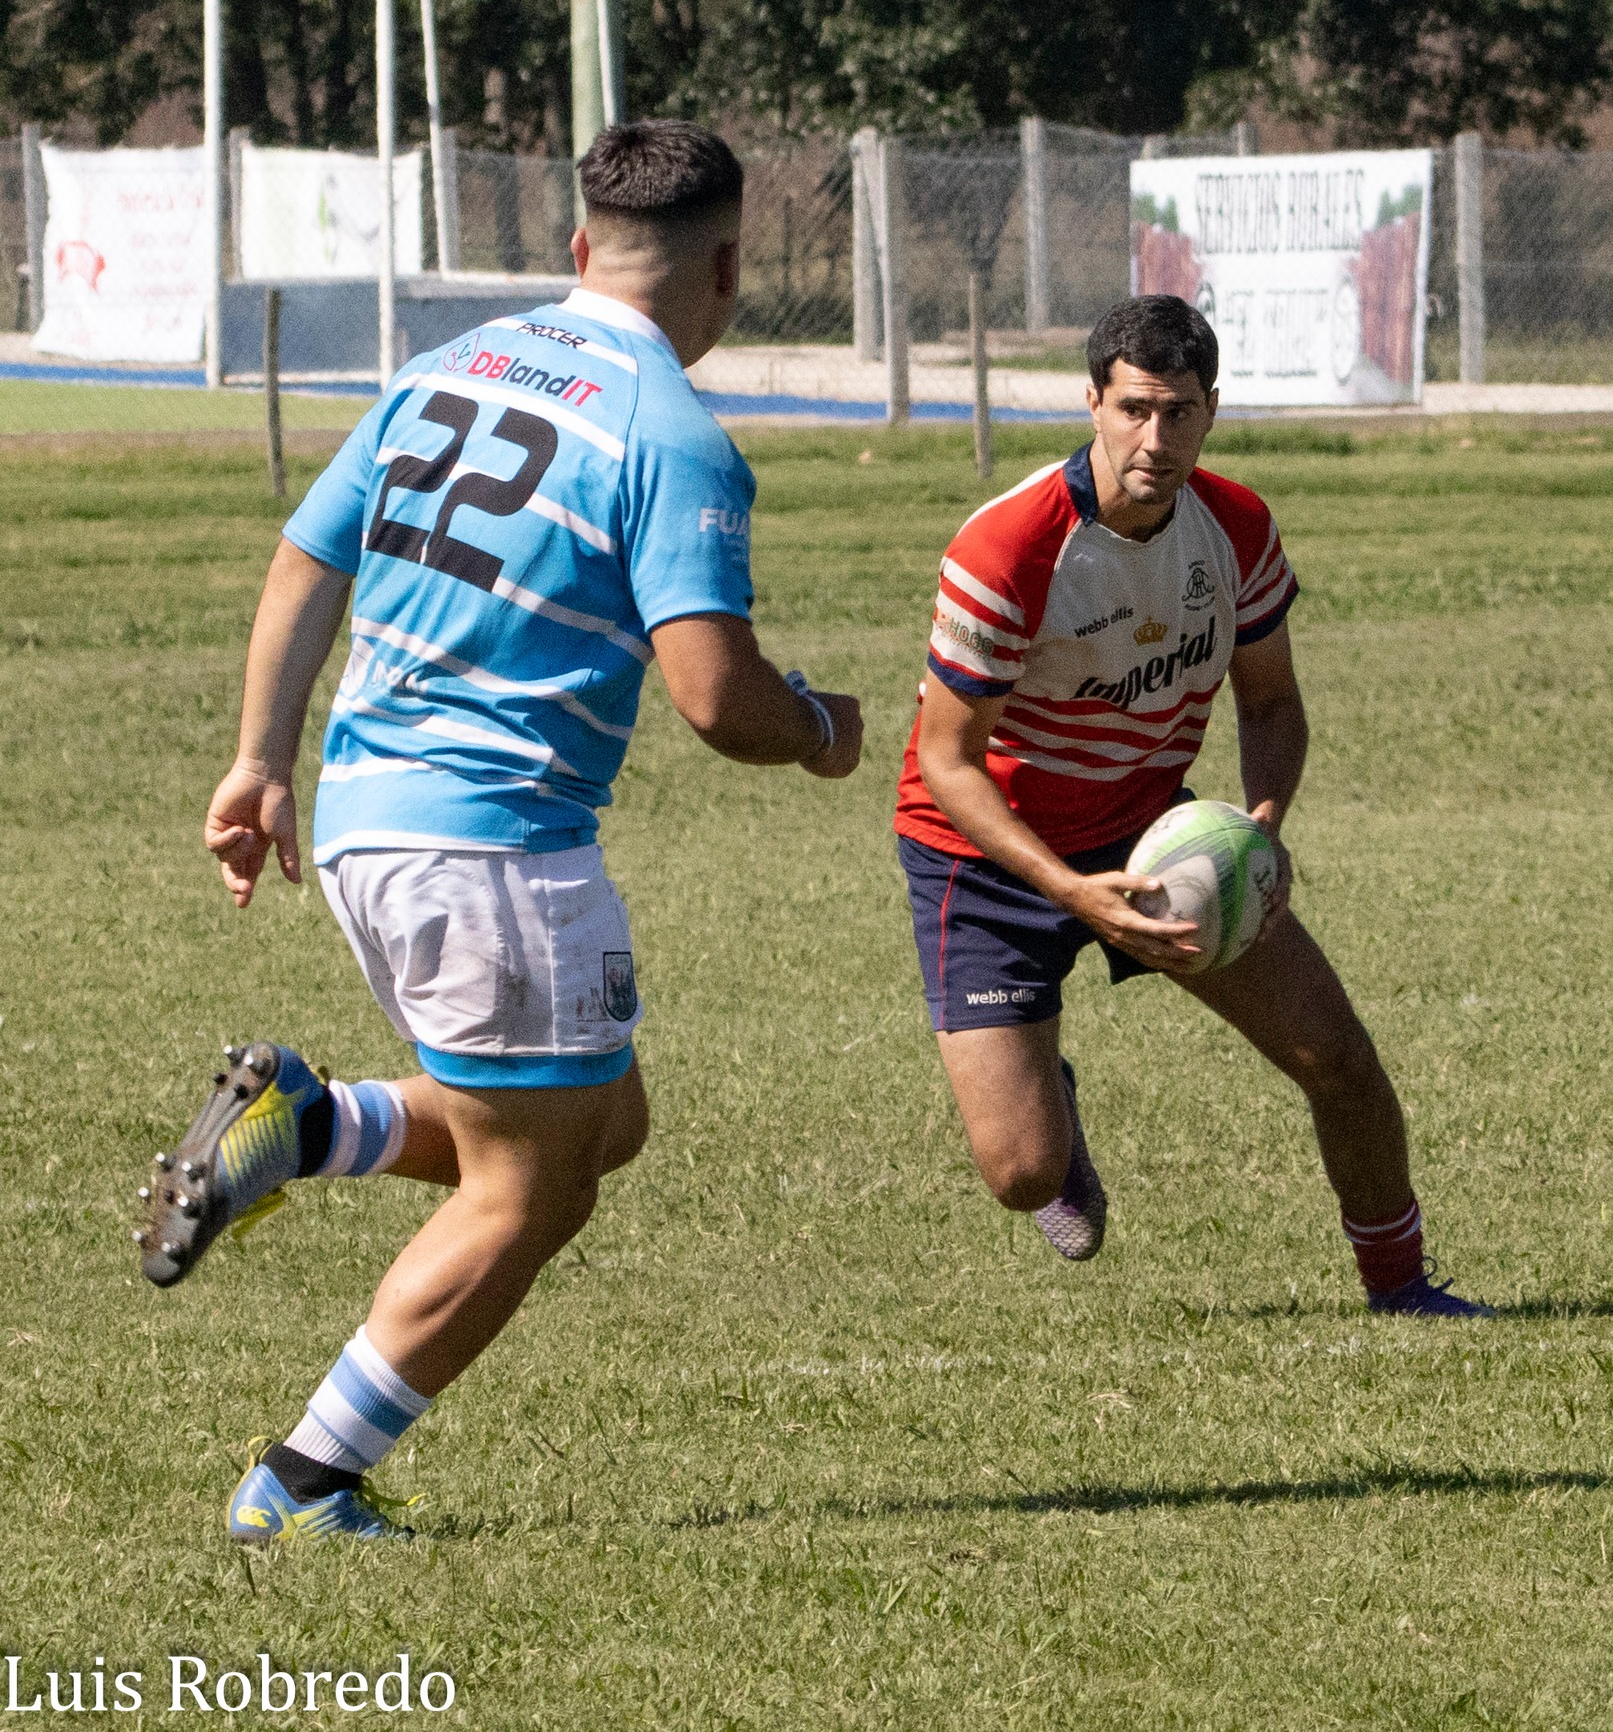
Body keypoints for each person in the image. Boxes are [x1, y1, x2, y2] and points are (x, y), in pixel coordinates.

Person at [134, 120, 863, 1542]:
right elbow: (716, 696)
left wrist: (255, 760)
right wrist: (825, 729)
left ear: (580, 250)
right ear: (727, 270)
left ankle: (307, 1126)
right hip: (496, 846)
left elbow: (307, 556)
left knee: (605, 1120)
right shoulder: (673, 434)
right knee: (530, 1192)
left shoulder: (444, 368)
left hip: (363, 817)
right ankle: (299, 1486)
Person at [892, 293, 1488, 1317]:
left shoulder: (1237, 526)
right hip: (982, 856)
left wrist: (1259, 824)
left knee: (1335, 1055)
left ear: (1211, 409)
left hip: (1151, 830)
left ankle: (1400, 1289)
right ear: (1090, 402)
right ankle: (1056, 1123)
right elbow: (947, 760)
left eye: (1176, 412)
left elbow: (1272, 700)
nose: (1151, 438)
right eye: (1130, 409)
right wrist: (1073, 892)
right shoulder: (1011, 548)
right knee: (1023, 1175)